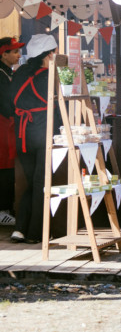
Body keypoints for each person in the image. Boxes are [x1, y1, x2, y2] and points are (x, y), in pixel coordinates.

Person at [10, 34, 60, 243]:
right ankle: (35, 233)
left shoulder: (20, 71)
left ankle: (20, 227)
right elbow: (60, 106)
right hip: (43, 132)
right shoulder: (48, 76)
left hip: (22, 135)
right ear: (49, 55)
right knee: (42, 183)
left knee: (32, 183)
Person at [0, 37, 23, 226]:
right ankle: (2, 210)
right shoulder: (1, 74)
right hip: (3, 125)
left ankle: (6, 208)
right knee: (4, 168)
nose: (18, 55)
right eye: (14, 51)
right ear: (3, 54)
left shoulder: (8, 72)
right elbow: (6, 103)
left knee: (8, 167)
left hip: (8, 126)